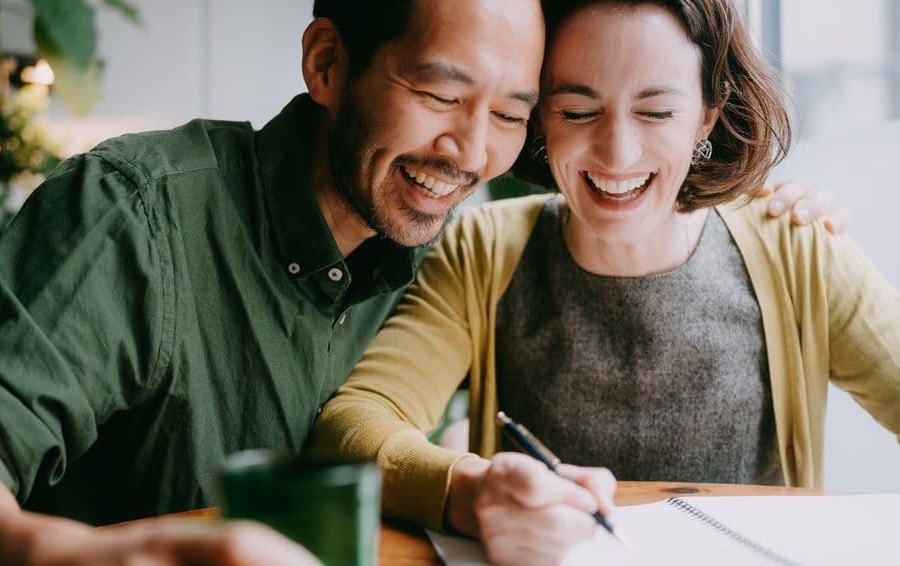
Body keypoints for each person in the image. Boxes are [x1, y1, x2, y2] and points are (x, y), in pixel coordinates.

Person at [0, 1, 839, 564]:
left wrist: (761, 208)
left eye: (512, 112)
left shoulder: (465, 194)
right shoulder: (140, 208)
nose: (470, 150)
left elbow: (626, 160)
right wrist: (83, 556)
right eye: (437, 93)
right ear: (328, 63)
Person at [308, 1, 900, 565]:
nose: (617, 153)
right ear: (540, 119)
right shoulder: (481, 250)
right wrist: (471, 488)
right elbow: (353, 425)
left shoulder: (796, 245)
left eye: (657, 111)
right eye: (578, 111)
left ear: (707, 116)